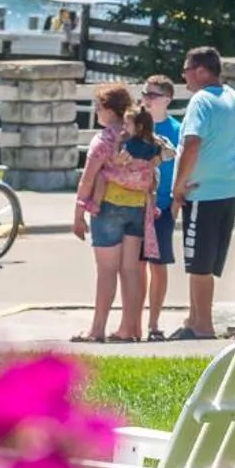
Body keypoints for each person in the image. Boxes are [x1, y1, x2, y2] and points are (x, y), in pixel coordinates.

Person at [168, 45, 235, 341]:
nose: (183, 75)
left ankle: (202, 326)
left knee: (199, 263)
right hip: (227, 190)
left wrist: (178, 184)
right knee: (206, 264)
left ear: (200, 71)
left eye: (186, 69)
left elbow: (192, 143)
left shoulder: (201, 100)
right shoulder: (233, 97)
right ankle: (195, 318)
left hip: (202, 192)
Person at [72, 83, 166, 344]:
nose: (96, 112)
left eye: (99, 107)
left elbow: (88, 179)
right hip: (138, 208)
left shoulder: (104, 140)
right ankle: (130, 328)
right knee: (131, 271)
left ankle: (97, 329)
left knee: (106, 271)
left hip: (109, 207)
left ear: (110, 110)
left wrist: (79, 212)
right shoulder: (142, 136)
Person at [139, 76, 182, 342]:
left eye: (153, 95)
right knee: (134, 266)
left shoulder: (177, 129)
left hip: (162, 207)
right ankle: (132, 320)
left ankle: (153, 323)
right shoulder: (135, 125)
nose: (146, 99)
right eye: (144, 93)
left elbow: (186, 164)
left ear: (167, 99)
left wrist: (176, 204)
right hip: (134, 205)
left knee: (158, 265)